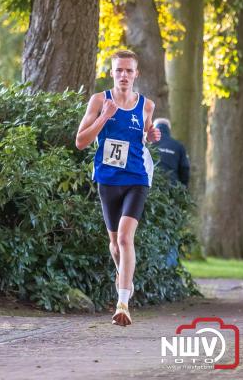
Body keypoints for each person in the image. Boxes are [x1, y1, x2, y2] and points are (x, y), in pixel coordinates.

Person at [76, 50, 160, 326]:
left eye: (129, 71)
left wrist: (151, 134)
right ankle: (126, 277)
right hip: (108, 179)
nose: (124, 75)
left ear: (136, 74)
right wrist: (104, 117)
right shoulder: (99, 100)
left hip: (136, 178)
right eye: (119, 70)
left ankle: (122, 303)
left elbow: (145, 134)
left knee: (125, 238)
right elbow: (80, 141)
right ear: (111, 73)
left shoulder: (146, 105)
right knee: (114, 244)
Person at [153, 118, 190, 187]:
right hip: (171, 186)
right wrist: (183, 187)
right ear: (168, 129)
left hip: (149, 187)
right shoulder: (178, 146)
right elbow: (185, 168)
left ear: (155, 127)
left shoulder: (147, 144)